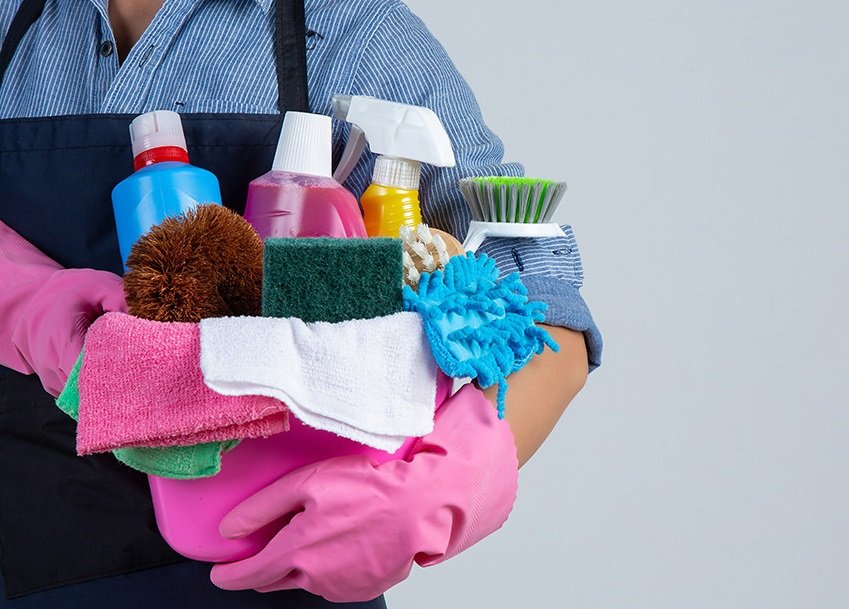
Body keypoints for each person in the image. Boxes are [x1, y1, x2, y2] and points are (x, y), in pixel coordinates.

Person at [0, 0, 602, 606]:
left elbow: (549, 317)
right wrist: (26, 297)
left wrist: (448, 482)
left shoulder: (353, 35)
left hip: (271, 564)